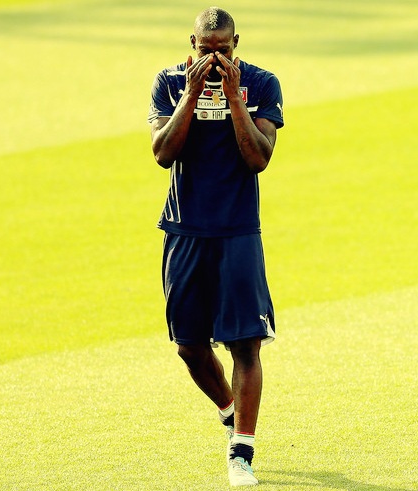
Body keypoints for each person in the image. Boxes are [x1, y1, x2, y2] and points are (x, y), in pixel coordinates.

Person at [147, 6, 283, 487]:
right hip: (185, 230)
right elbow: (163, 153)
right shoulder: (168, 83)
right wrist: (191, 95)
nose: (215, 60)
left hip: (238, 231)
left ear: (236, 44)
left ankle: (242, 452)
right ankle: (230, 411)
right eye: (206, 51)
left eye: (223, 51)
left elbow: (258, 158)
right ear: (192, 45)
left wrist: (233, 99)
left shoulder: (261, 84)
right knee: (189, 347)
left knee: (245, 344)